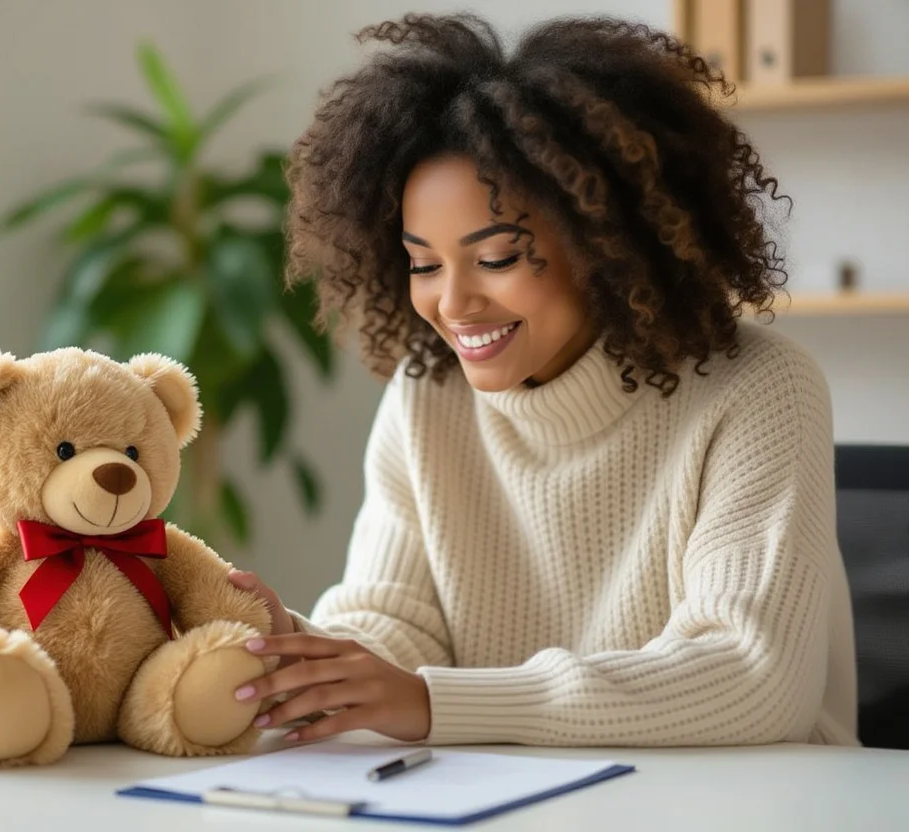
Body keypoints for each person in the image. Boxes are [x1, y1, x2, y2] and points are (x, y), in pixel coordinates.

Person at [226, 12, 859, 748]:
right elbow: (394, 623)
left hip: (758, 796)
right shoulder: (427, 395)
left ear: (606, 242)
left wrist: (435, 705)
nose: (452, 304)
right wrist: (307, 657)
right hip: (518, 791)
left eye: (496, 259)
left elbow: (752, 678)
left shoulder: (759, 389)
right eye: (423, 264)